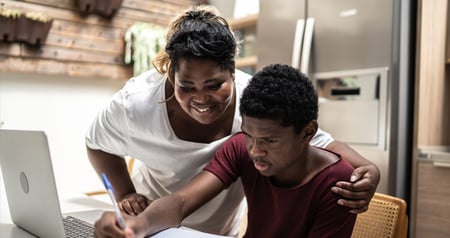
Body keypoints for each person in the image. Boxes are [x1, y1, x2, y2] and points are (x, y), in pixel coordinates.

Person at [86, 5, 379, 237]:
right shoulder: (137, 104)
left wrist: (368, 168)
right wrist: (131, 220)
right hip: (154, 225)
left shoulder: (254, 111)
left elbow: (319, 142)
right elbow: (179, 203)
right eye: (187, 87)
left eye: (214, 85)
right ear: (172, 76)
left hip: (219, 229)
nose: (201, 98)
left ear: (233, 73)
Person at [94, 64, 358, 238]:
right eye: (250, 136)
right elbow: (181, 202)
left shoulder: (337, 183)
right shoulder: (241, 148)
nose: (256, 151)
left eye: (270, 141)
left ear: (308, 132)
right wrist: (135, 226)